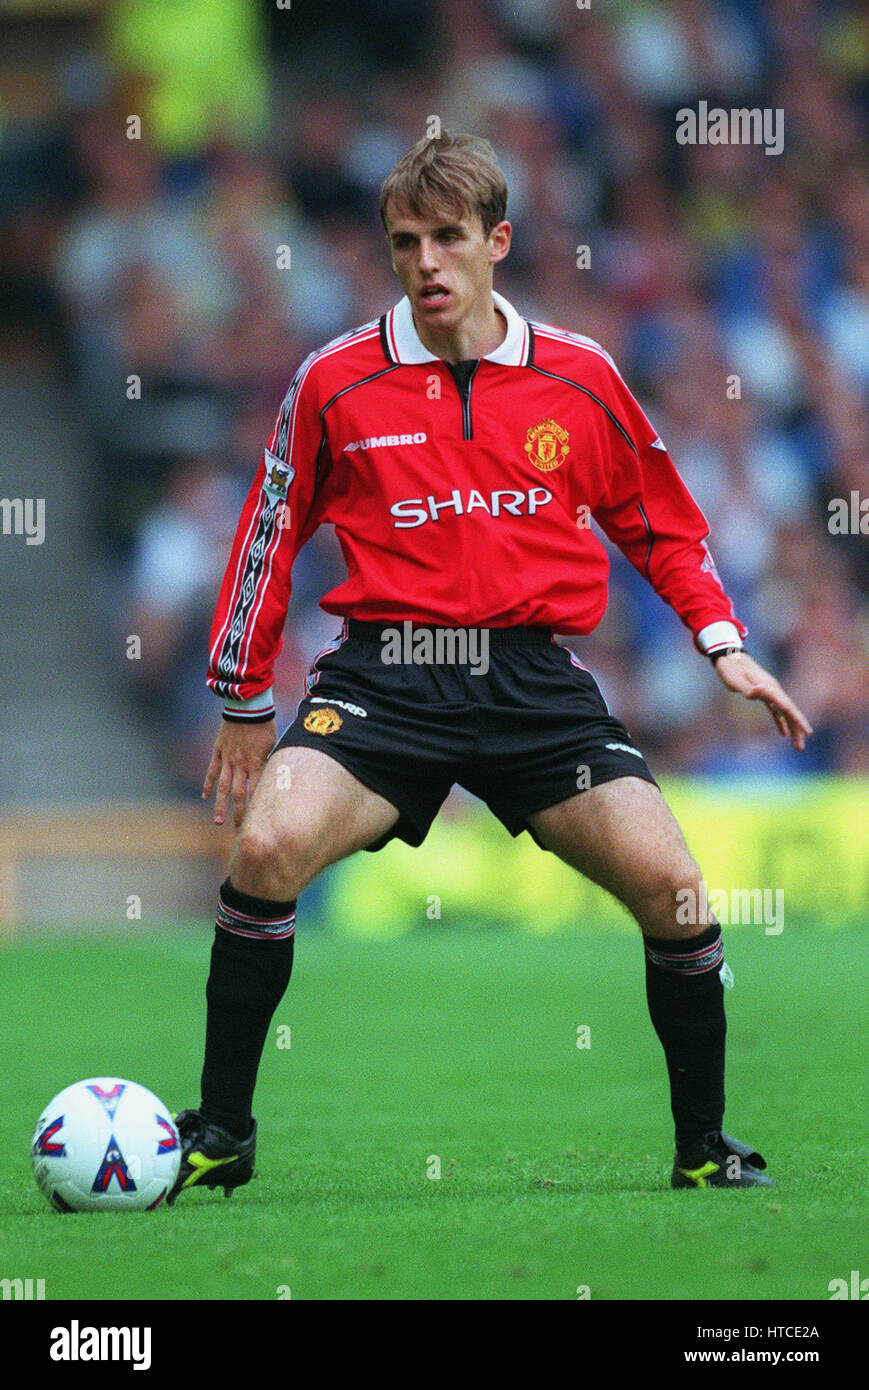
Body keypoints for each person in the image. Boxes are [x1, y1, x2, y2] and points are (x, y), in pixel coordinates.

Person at [168, 133, 812, 1203]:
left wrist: (721, 643)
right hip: (386, 679)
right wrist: (243, 699)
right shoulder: (334, 381)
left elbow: (658, 523)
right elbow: (267, 531)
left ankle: (702, 1148)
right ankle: (224, 1130)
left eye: (448, 239)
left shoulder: (579, 375)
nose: (425, 262)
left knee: (675, 889)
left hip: (531, 686)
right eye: (404, 242)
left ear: (496, 241)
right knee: (268, 844)